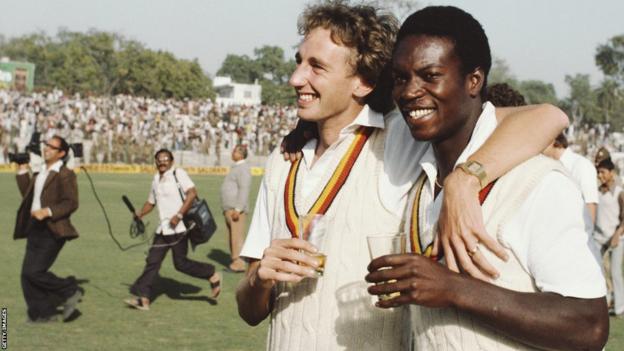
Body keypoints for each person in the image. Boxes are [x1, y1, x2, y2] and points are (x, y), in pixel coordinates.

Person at [236, 3, 569, 350]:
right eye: (299, 62)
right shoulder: (282, 159)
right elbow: (249, 311)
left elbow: (548, 117)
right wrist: (259, 280)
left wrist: (464, 179)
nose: (295, 78)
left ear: (363, 82)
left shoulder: (400, 140)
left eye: (316, 67)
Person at [365, 6, 608, 350]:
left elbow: (590, 325)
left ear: (474, 81)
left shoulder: (538, 182)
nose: (409, 92)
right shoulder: (417, 169)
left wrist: (452, 289)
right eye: (401, 78)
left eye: (430, 75)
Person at [124, 148, 221, 311]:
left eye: (165, 159)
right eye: (159, 160)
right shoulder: (156, 179)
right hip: (163, 230)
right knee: (152, 262)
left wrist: (179, 215)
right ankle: (143, 299)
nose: (162, 162)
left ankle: (211, 273)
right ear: (155, 162)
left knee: (180, 264)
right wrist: (140, 213)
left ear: (171, 161)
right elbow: (151, 202)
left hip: (179, 228)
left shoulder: (178, 174)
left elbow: (192, 193)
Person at [14, 135, 83, 323]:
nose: (46, 149)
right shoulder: (40, 171)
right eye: (46, 145)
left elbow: (71, 203)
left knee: (35, 272)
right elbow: (29, 196)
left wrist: (48, 211)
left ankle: (70, 289)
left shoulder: (65, 174)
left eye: (51, 147)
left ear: (61, 153)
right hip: (35, 227)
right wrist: (22, 170)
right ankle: (43, 313)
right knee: (26, 275)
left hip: (53, 229)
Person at [543, 132, 599, 223]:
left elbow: (590, 206)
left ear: (552, 142)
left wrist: (587, 236)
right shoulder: (551, 167)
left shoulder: (582, 166)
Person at [595, 158, 624, 317]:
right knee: (599, 273)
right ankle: (605, 304)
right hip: (598, 238)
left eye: (603, 172)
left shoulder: (619, 192)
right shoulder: (598, 191)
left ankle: (620, 308)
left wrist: (618, 234)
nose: (600, 175)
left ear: (611, 173)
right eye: (598, 172)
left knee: (615, 273)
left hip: (616, 239)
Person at [220, 144, 252, 272]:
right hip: (230, 208)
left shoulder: (243, 168)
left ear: (241, 154)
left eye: (235, 151)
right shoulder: (236, 167)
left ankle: (238, 264)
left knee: (237, 236)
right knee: (232, 236)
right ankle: (235, 261)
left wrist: (238, 209)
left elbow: (244, 189)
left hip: (235, 209)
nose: (232, 153)